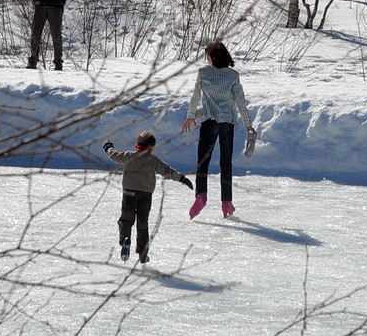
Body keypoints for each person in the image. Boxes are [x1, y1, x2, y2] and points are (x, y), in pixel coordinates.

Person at [180, 40, 257, 219]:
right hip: (227, 124)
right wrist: (248, 124)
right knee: (226, 163)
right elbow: (240, 102)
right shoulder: (233, 76)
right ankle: (226, 202)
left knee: (203, 161)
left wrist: (191, 115)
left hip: (209, 122)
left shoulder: (203, 73)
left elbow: (195, 97)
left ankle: (201, 196)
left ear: (211, 57)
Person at [104, 131, 193, 264]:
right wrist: (182, 178)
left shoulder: (130, 156)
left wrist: (108, 147)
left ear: (137, 144)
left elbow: (114, 156)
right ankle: (143, 253)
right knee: (142, 223)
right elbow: (167, 171)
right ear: (152, 147)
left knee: (126, 220)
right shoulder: (154, 160)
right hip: (146, 195)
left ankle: (125, 240)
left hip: (129, 192)